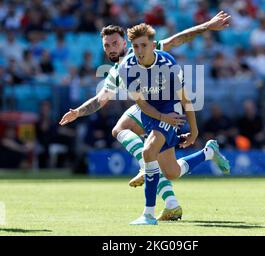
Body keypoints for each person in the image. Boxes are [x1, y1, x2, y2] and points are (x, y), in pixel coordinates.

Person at [59, 11, 231, 221]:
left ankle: (149, 174)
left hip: (168, 108)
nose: (111, 48)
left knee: (163, 166)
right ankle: (206, 154)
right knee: (161, 164)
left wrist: (207, 26)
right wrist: (77, 112)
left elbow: (177, 39)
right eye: (107, 45)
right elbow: (100, 99)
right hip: (147, 108)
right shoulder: (117, 71)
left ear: (125, 43)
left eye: (115, 43)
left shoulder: (145, 49)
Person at [118, 23, 230, 225]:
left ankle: (148, 215)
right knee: (171, 172)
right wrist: (162, 119)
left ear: (153, 46)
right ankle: (208, 153)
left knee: (148, 152)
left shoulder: (168, 64)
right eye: (135, 46)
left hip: (172, 109)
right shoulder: (126, 68)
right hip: (152, 113)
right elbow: (142, 104)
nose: (139, 51)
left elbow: (186, 99)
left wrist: (194, 131)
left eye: (144, 45)